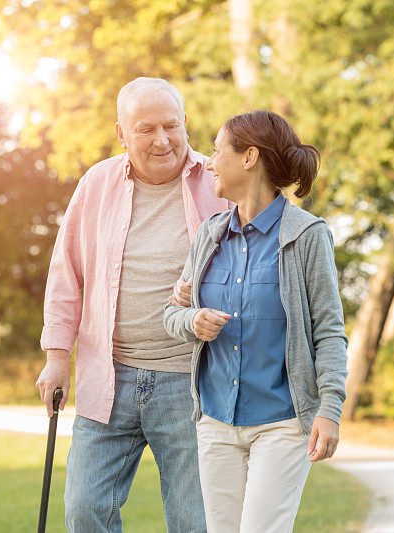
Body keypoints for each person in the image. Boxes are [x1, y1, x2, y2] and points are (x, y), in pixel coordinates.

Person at [35, 77, 231, 533]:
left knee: (194, 522)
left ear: (186, 125)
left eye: (172, 126)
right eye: (146, 129)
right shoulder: (97, 184)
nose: (162, 140)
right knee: (85, 511)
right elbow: (66, 273)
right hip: (110, 378)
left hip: (191, 382)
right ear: (122, 134)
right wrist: (56, 358)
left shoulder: (219, 183)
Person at [163, 110, 348, 532]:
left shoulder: (306, 235)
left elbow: (330, 330)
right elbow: (171, 314)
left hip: (281, 422)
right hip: (215, 420)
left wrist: (330, 409)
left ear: (249, 157)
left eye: (216, 150)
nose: (209, 162)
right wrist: (193, 320)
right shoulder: (209, 236)